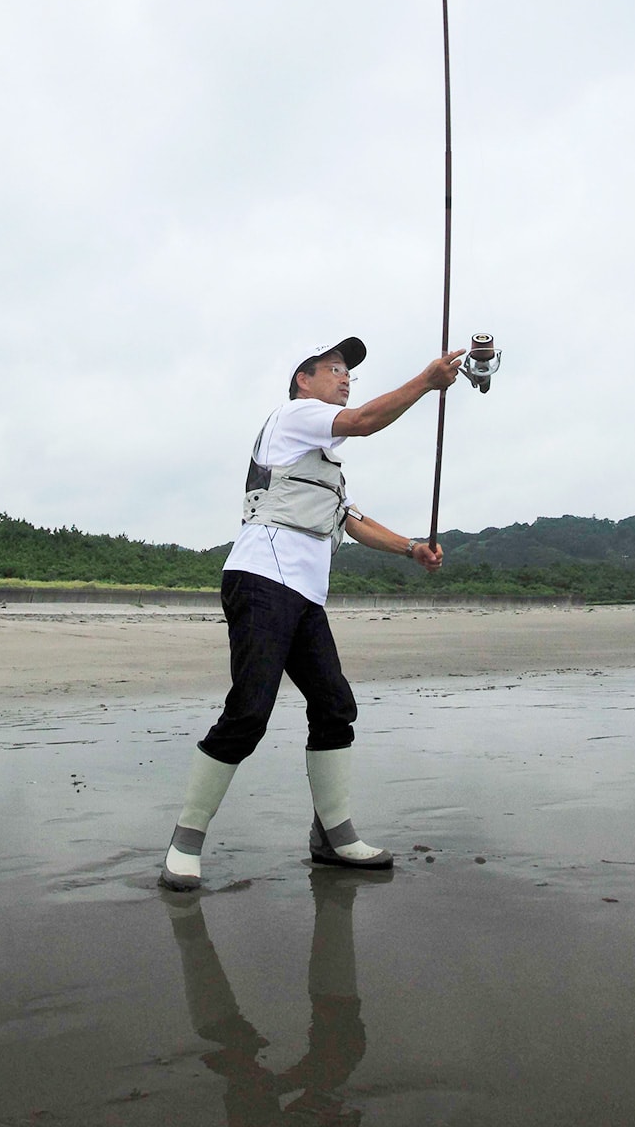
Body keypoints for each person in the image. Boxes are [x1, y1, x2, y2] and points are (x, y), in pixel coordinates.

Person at [160, 336, 464, 891]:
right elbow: (365, 421)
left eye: (349, 373)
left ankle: (333, 836)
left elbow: (352, 519)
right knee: (249, 712)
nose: (345, 378)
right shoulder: (295, 415)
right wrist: (426, 382)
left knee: (334, 707)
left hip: (303, 594)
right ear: (303, 380)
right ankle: (185, 842)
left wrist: (411, 548)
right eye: (334, 368)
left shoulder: (325, 464)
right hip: (261, 579)